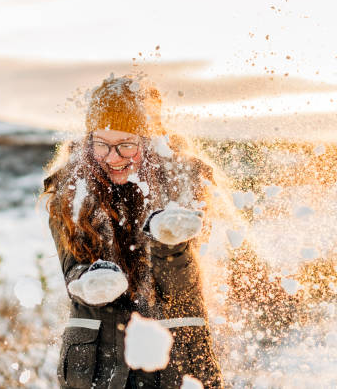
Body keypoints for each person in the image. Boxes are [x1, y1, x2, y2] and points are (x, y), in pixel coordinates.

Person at [43, 74, 224, 388]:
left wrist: (169, 243)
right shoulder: (69, 192)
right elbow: (72, 270)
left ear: (150, 141)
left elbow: (181, 291)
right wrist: (88, 282)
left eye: (126, 145)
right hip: (95, 365)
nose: (112, 158)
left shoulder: (187, 184)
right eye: (101, 144)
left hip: (174, 359)